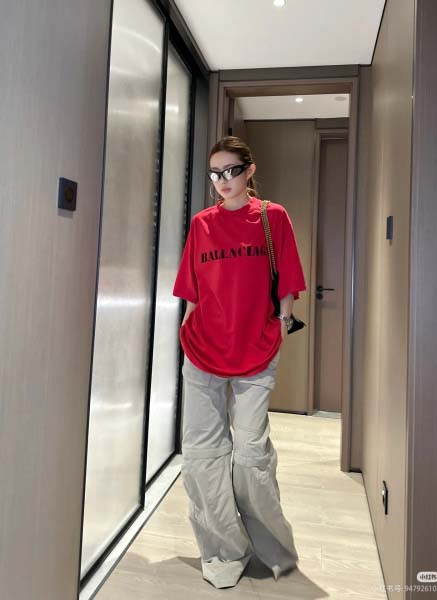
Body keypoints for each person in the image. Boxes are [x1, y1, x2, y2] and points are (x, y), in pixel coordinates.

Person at [172, 135, 307, 589]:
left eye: (231, 170)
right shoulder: (202, 224)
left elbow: (288, 278)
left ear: (249, 170)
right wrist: (186, 331)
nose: (223, 180)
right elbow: (192, 289)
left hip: (256, 348)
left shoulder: (272, 217)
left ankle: (270, 546)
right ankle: (223, 550)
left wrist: (283, 320)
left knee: (250, 454)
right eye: (215, 173)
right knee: (203, 455)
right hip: (203, 348)